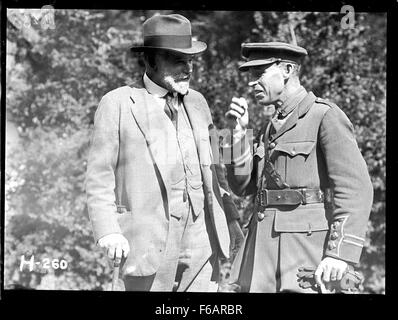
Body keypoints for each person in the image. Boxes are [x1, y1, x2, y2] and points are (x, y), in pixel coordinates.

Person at [85, 13, 243, 292]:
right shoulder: (118, 103)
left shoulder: (198, 102)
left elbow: (217, 166)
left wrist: (239, 133)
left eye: (190, 60)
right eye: (177, 60)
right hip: (146, 241)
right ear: (150, 60)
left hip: (202, 237)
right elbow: (99, 176)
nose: (188, 68)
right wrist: (108, 230)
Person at [223, 42, 373, 293]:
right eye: (250, 75)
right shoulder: (270, 126)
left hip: (305, 251)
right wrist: (235, 135)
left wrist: (339, 254)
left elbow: (356, 189)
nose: (251, 83)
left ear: (288, 69)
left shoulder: (324, 116)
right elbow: (241, 187)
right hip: (261, 252)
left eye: (259, 73)